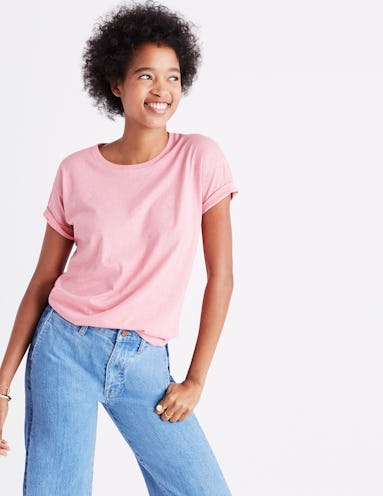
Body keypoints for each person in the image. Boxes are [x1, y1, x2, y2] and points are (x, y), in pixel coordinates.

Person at [0, 1, 238, 494]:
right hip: (64, 350)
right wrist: (1, 387)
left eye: (173, 77)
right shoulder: (75, 170)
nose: (162, 89)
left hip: (144, 360)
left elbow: (222, 276)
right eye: (146, 75)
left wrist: (195, 380)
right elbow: (43, 280)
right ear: (115, 83)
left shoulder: (200, 158)